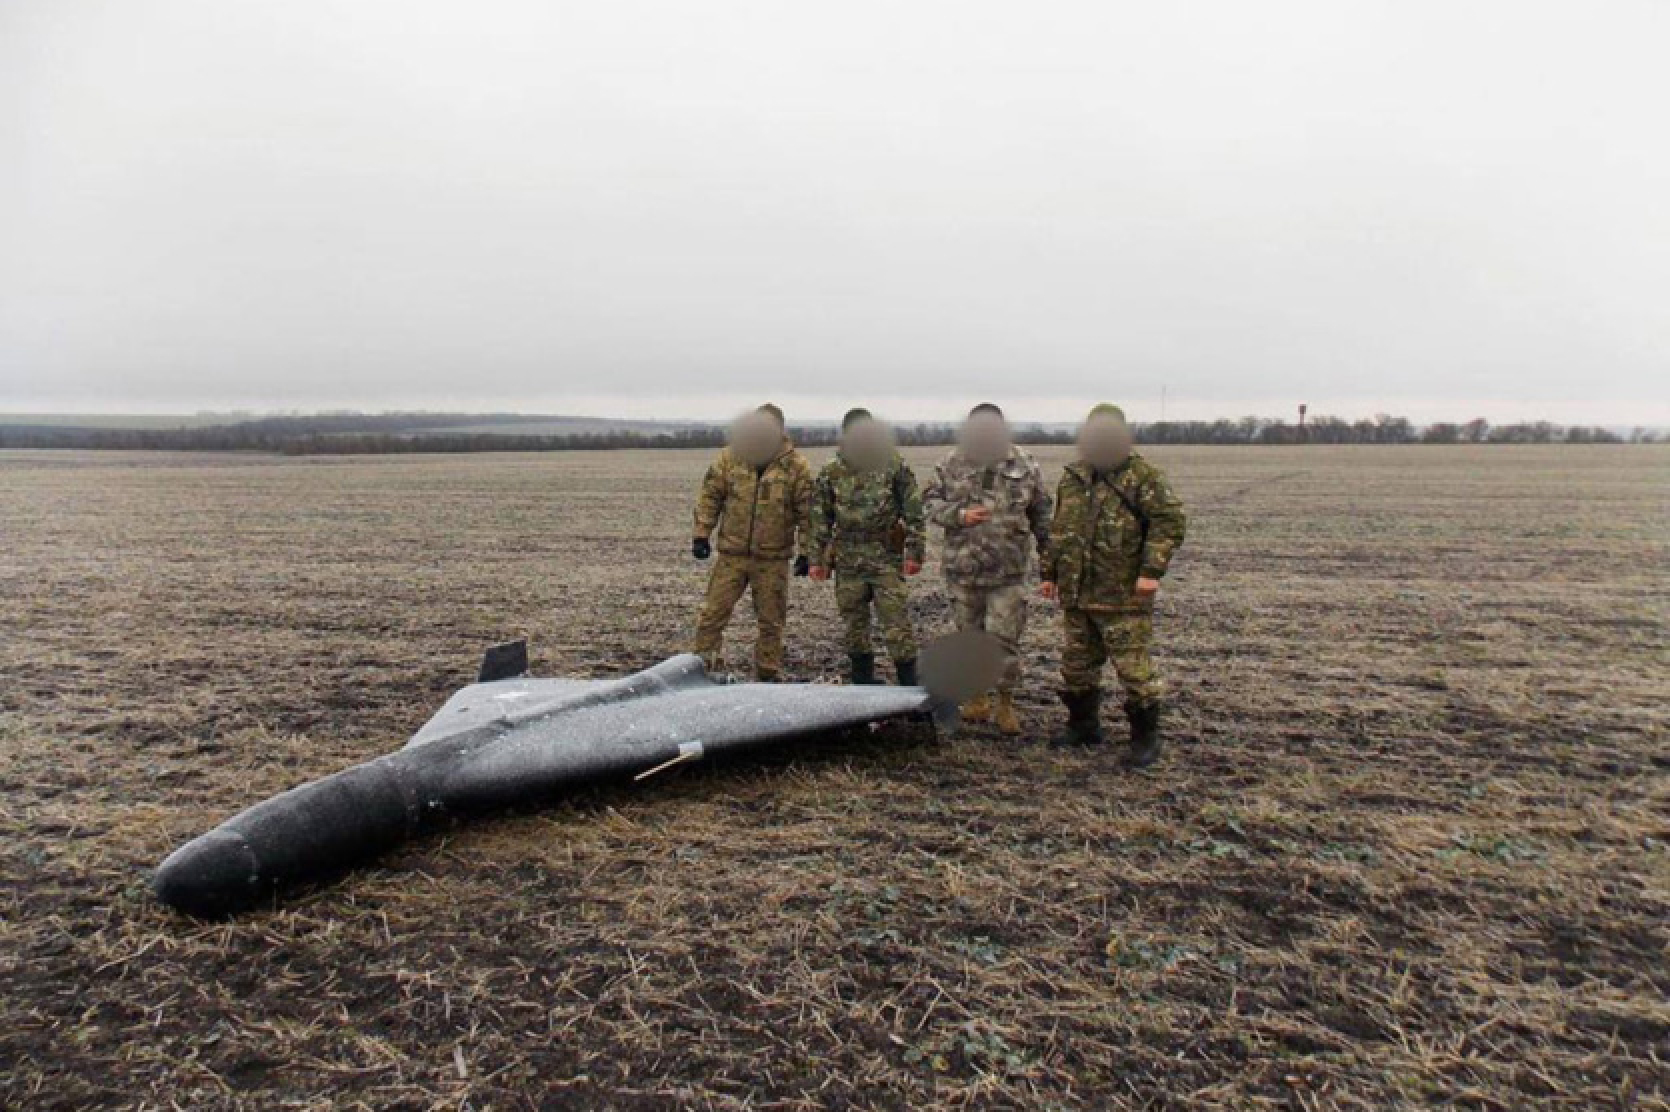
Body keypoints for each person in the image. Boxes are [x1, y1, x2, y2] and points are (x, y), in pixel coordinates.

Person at [1039, 404, 1186, 765]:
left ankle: (1145, 739)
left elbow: (1169, 524)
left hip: (1122, 593)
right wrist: (1049, 573)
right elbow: (1059, 531)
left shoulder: (1143, 478)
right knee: (1076, 664)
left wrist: (1151, 572)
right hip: (1077, 592)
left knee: (1133, 668)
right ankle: (1083, 726)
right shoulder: (1072, 479)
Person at [922, 403, 1051, 734]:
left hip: (1009, 572)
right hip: (963, 571)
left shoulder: (1024, 465)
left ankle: (1005, 702)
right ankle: (976, 697)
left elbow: (1042, 515)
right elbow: (927, 504)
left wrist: (1051, 567)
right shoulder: (950, 464)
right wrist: (958, 515)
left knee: (1005, 640)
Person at [690, 404, 814, 680]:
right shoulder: (730, 458)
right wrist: (702, 534)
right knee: (712, 615)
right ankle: (702, 669)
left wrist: (808, 553)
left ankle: (768, 674)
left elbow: (807, 513)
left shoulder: (796, 467)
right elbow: (711, 496)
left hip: (773, 559)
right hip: (732, 555)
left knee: (771, 622)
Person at [808, 410, 926, 685]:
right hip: (848, 559)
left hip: (884, 556)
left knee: (896, 624)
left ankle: (911, 690)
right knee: (854, 627)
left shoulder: (893, 464)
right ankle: (862, 686)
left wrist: (915, 552)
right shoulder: (832, 471)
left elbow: (913, 510)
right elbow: (819, 517)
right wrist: (817, 559)